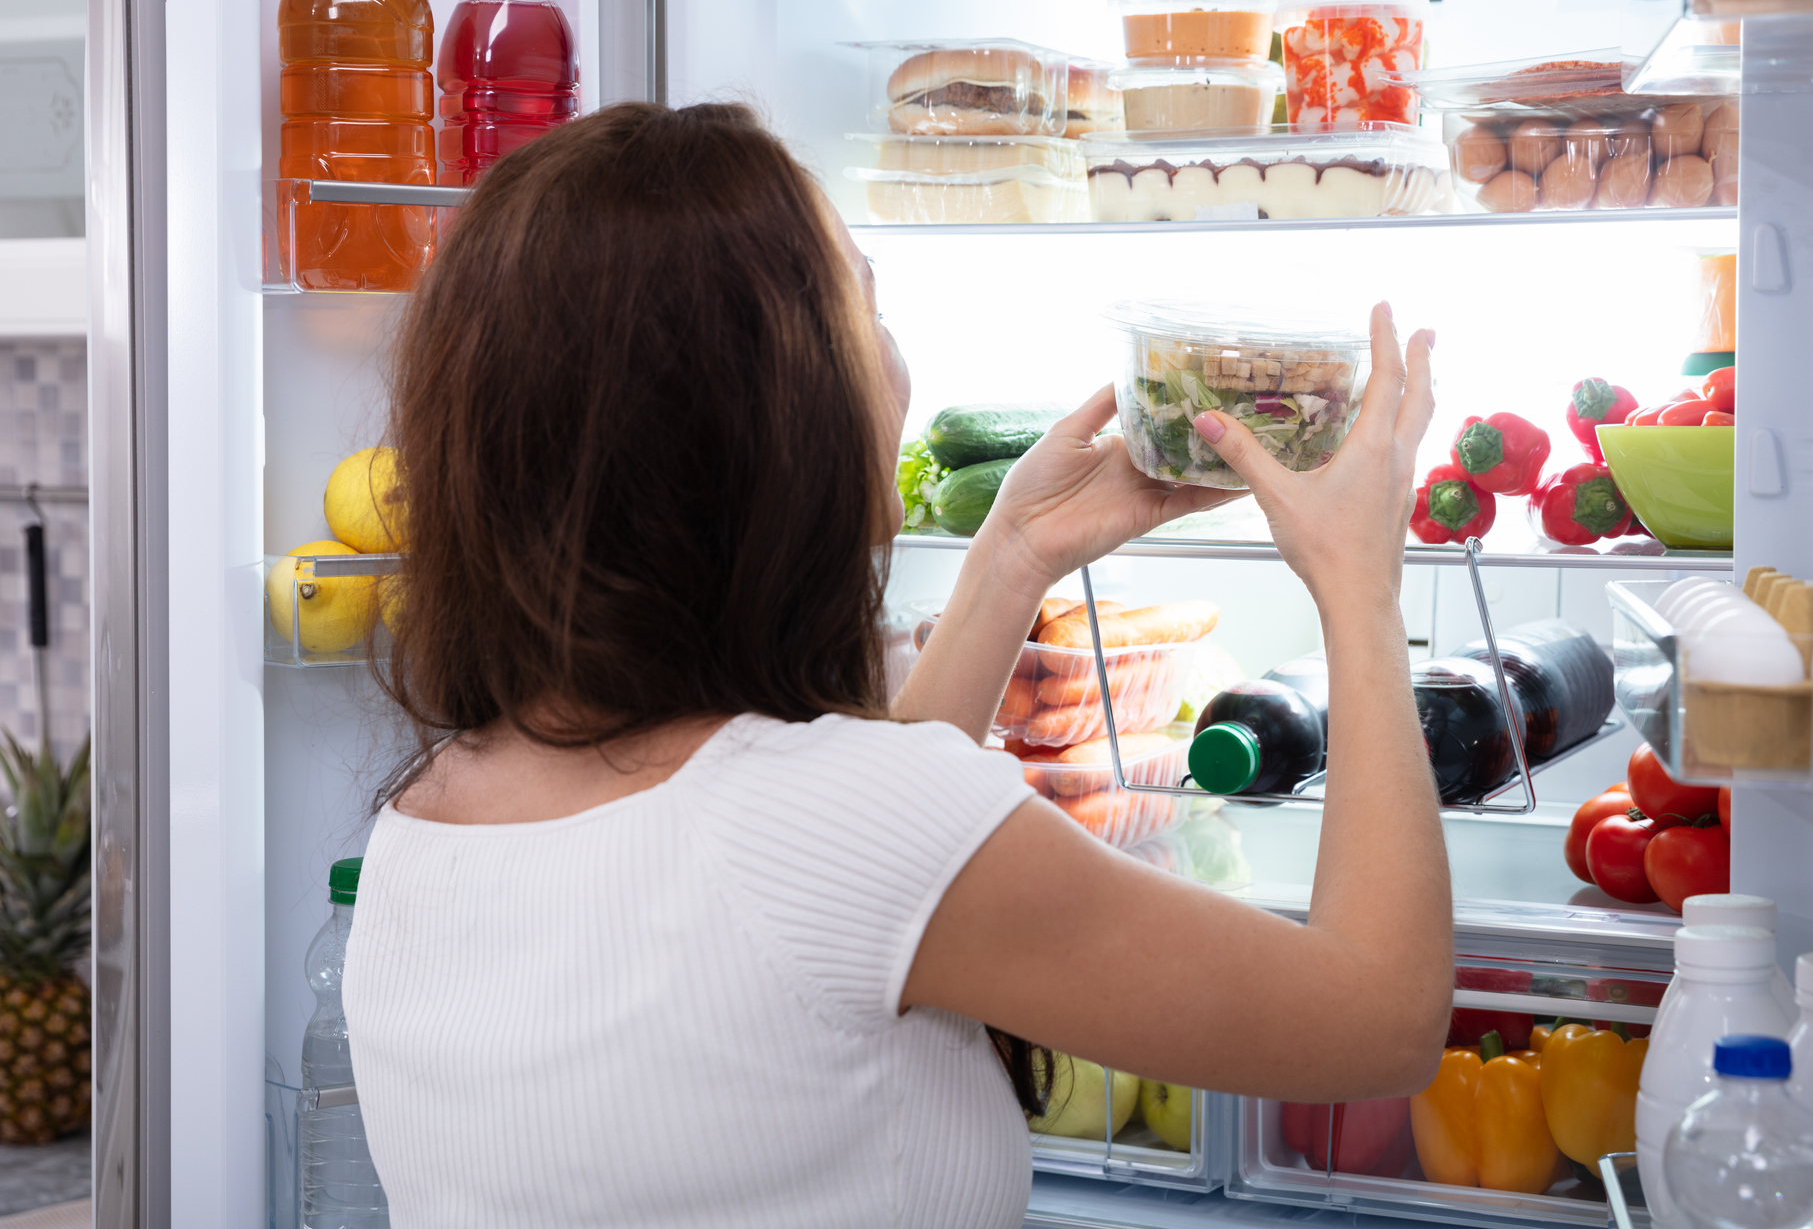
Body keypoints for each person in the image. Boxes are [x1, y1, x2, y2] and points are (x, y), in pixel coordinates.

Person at [342, 101, 1452, 1228]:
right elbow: (1381, 1017)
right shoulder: (834, 822)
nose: (892, 356)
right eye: (865, 305)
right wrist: (1359, 591)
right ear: (774, 412)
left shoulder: (422, 820)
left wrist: (1013, 559)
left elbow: (834, 903)